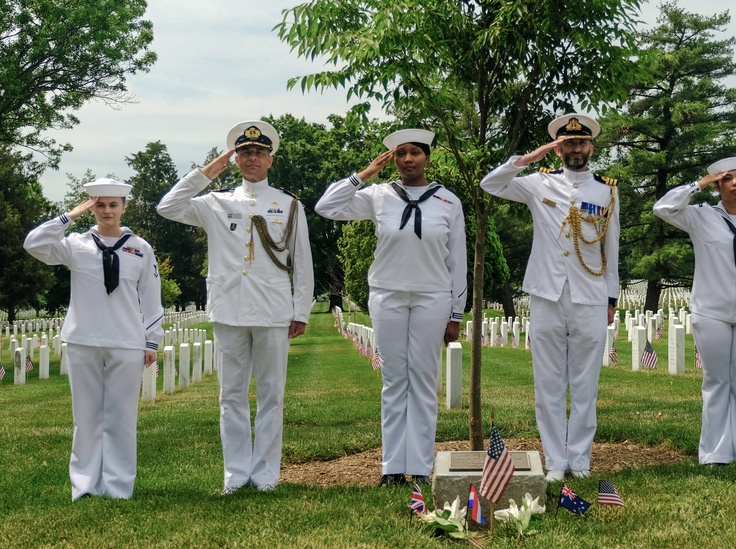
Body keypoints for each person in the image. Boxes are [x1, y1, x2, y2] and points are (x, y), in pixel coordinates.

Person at [157, 120, 314, 493]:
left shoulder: (288, 205)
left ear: (270, 160)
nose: (252, 158)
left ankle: (265, 476)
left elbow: (303, 261)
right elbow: (167, 206)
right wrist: (206, 173)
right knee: (230, 396)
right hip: (229, 308)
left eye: (258, 152)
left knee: (272, 396)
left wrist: (301, 310)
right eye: (244, 152)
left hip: (274, 309)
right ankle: (236, 475)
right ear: (236, 158)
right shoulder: (216, 202)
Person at [315, 129, 467, 486]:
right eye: (401, 154)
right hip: (388, 295)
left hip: (432, 297)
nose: (408, 159)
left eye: (415, 152)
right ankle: (392, 468)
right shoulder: (378, 195)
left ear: (427, 157)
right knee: (394, 380)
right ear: (392, 159)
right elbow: (326, 207)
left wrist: (456, 313)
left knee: (424, 381)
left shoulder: (448, 201)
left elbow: (457, 260)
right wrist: (363, 175)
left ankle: (420, 465)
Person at [480, 113, 619, 482]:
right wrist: (528, 158)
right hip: (546, 293)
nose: (576, 148)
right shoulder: (537, 183)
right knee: (548, 384)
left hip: (590, 295)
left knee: (586, 384)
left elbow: (612, 248)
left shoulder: (607, 191)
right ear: (559, 148)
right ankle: (556, 461)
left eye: (581, 142)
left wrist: (612, 298)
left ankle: (581, 460)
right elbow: (490, 184)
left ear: (591, 147)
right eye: (568, 143)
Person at [24, 178, 164, 500]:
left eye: (113, 205)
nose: (106, 211)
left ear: (124, 207)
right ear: (92, 207)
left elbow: (152, 299)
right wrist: (69, 216)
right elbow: (34, 244)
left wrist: (151, 340)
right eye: (100, 205)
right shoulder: (76, 245)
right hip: (83, 340)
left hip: (126, 342)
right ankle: (85, 486)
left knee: (121, 418)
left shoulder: (140, 248)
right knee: (85, 418)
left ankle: (118, 487)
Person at [653, 157, 736, 465]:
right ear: (718, 185)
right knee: (716, 381)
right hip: (711, 310)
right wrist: (699, 183)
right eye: (727, 179)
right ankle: (714, 452)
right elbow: (663, 208)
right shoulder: (701, 217)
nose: (735, 183)